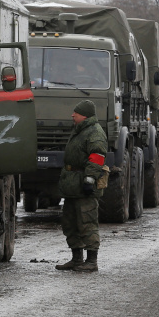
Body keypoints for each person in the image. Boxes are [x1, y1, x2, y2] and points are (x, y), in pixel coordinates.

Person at [56, 100, 108, 272]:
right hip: (72, 185)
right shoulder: (80, 130)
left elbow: (97, 157)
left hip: (84, 185)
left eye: (75, 113)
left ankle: (91, 261)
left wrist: (89, 180)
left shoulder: (95, 132)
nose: (72, 115)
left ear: (84, 115)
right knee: (70, 223)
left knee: (87, 222)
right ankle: (76, 258)